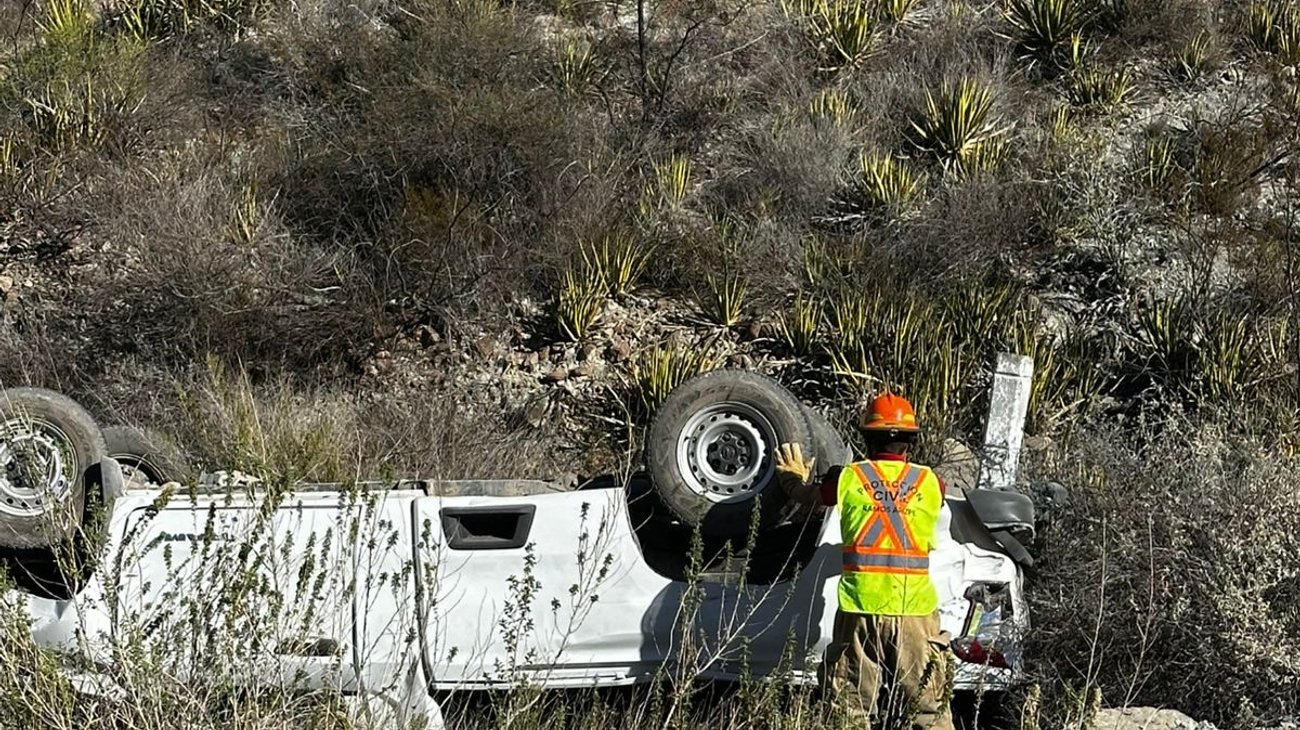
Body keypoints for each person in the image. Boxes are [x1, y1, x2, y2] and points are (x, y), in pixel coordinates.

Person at [774, 393, 954, 730]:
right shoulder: (932, 483)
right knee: (929, 713)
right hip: (915, 613)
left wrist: (791, 479)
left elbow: (809, 498)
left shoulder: (847, 479)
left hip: (860, 610)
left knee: (848, 712)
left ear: (866, 439)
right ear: (910, 441)